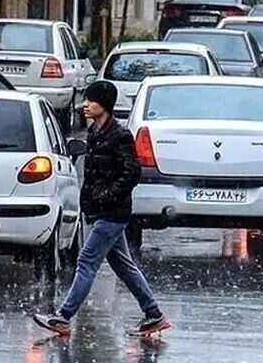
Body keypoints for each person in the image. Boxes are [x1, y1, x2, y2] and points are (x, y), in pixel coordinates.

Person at [33, 81, 171, 340]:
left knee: (86, 261)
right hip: (102, 212)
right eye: (85, 100)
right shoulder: (96, 132)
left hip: (113, 213)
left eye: (91, 101)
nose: (85, 105)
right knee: (124, 266)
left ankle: (63, 317)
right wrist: (90, 200)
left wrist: (108, 196)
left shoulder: (120, 136)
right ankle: (154, 314)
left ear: (104, 105)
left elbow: (132, 172)